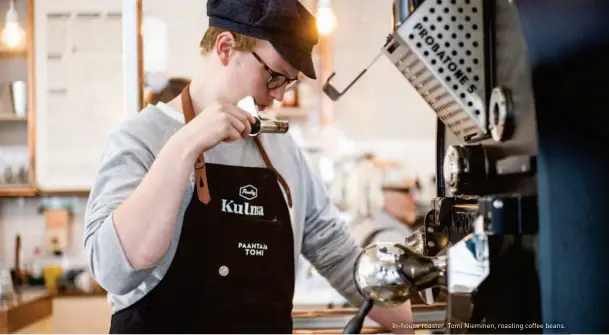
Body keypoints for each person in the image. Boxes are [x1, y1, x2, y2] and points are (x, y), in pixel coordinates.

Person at [84, 0, 415, 333]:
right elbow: (113, 269)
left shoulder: (282, 150)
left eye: (289, 82)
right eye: (273, 77)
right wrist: (185, 145)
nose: (279, 97)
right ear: (226, 48)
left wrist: (419, 323)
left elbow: (339, 256)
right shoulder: (140, 139)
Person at [349, 178, 424, 248]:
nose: (415, 200)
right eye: (409, 192)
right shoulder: (391, 239)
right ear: (386, 195)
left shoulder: (366, 224)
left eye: (416, 193)